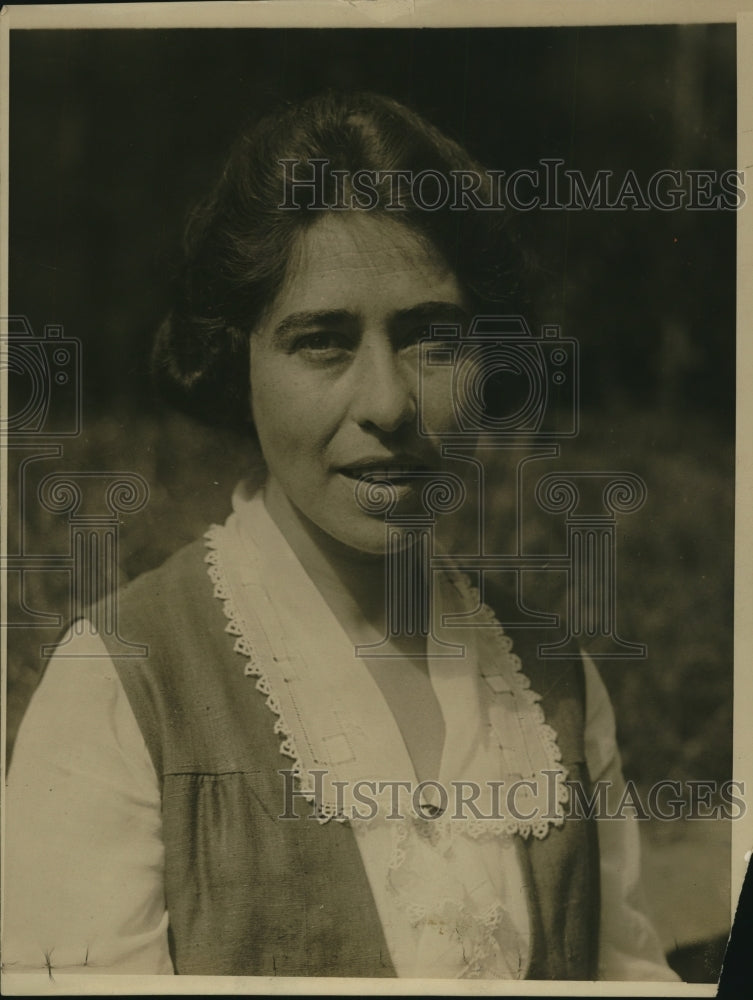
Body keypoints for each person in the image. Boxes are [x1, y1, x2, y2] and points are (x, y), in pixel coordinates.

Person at [3, 90, 679, 981]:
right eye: (321, 341)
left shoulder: (549, 681)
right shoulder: (122, 688)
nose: (389, 405)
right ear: (232, 359)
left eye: (432, 339)